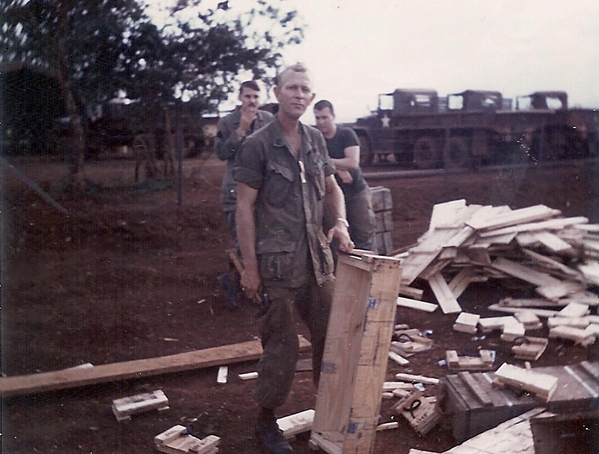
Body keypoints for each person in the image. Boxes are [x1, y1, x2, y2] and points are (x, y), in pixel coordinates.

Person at [234, 63, 354, 454]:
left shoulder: (317, 140)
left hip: (317, 261)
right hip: (278, 266)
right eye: (292, 88)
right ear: (277, 91)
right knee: (282, 346)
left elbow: (332, 187)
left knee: (332, 335)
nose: (299, 95)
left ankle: (331, 410)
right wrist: (250, 268)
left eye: (306, 89)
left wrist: (341, 223)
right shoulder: (258, 144)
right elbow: (243, 208)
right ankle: (266, 421)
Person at [215, 80, 274, 307]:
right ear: (240, 97)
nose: (252, 101)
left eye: (256, 97)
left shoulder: (269, 121)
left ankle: (245, 283)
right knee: (242, 243)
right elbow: (221, 153)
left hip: (264, 193)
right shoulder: (227, 121)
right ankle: (235, 287)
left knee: (263, 241)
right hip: (235, 192)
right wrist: (240, 129)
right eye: (248, 96)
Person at [313, 99, 377, 254]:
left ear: (333, 116)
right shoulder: (315, 138)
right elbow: (313, 164)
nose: (321, 122)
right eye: (317, 118)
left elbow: (353, 162)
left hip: (355, 193)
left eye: (324, 117)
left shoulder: (346, 134)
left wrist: (327, 163)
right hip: (331, 196)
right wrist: (339, 170)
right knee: (336, 239)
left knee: (363, 236)